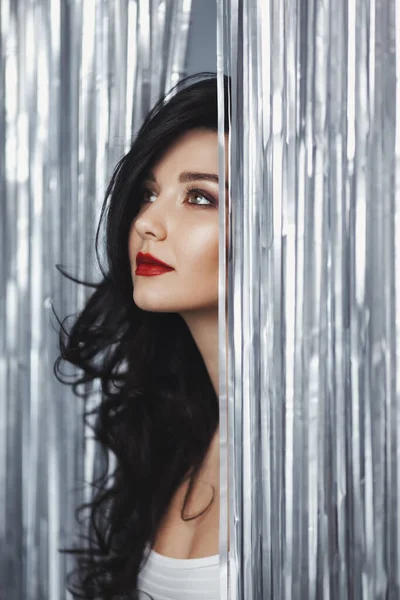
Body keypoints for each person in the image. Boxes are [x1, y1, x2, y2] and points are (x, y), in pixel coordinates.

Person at [54, 72, 230, 599]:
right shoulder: (178, 432)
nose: (148, 221)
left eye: (199, 197)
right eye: (150, 192)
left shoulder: (329, 459)